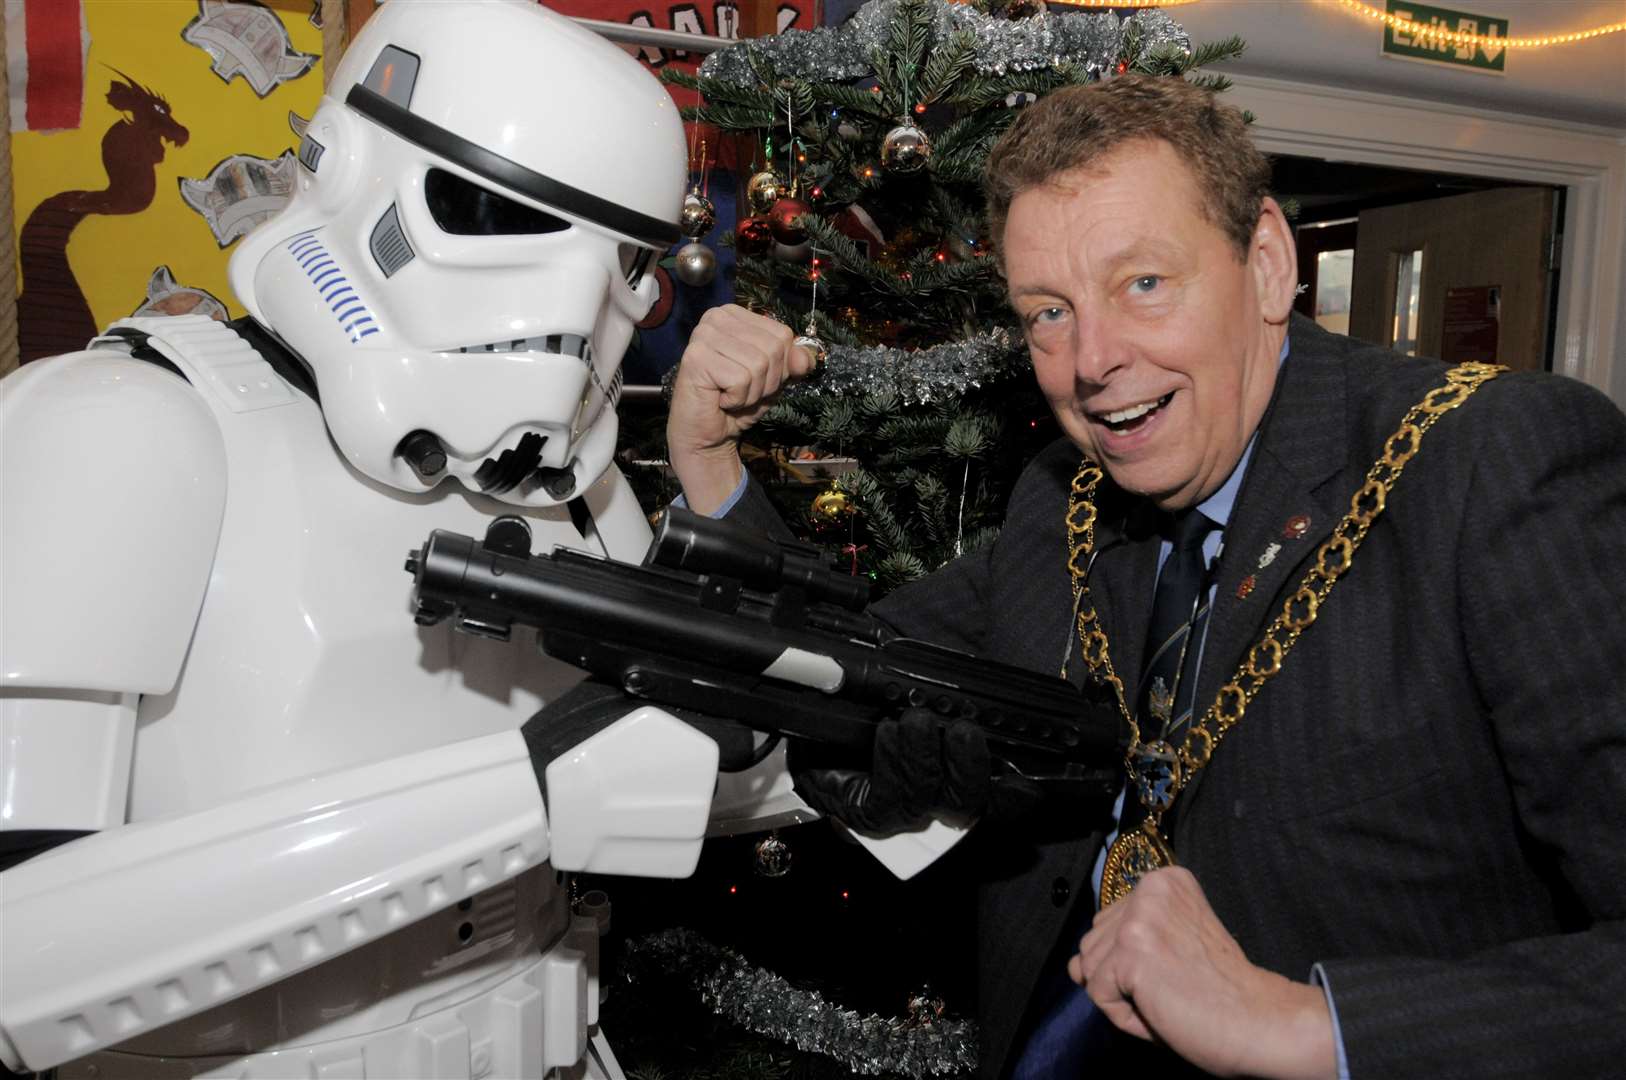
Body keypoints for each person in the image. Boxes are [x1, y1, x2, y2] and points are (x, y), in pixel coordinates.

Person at [664, 74, 1626, 1078]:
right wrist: (711, 464)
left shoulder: (1491, 466)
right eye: (1048, 312)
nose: (1092, 359)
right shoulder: (1062, 499)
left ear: (1264, 265)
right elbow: (831, 662)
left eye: (1144, 285)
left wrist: (1313, 1027)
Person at [0, 2, 802, 1075]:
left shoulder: (582, 496)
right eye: (489, 211)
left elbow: (659, 784)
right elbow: (21, 950)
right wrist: (528, 793)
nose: (566, 303)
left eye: (623, 262)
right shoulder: (129, 431)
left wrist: (850, 774)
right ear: (347, 170)